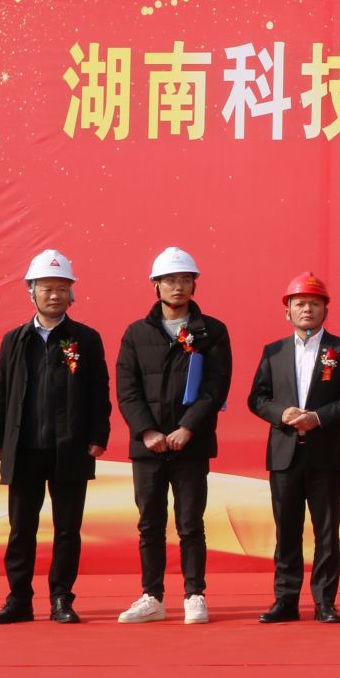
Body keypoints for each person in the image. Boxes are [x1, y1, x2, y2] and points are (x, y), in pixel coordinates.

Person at [0, 250, 110, 625]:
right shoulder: (15, 339)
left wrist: (98, 435)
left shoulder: (86, 339)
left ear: (72, 294)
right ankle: (19, 599)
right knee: (21, 528)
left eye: (62, 288)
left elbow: (99, 391)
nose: (55, 295)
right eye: (47, 288)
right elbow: (0, 390)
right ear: (31, 292)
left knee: (67, 529)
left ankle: (61, 598)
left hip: (70, 448)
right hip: (23, 449)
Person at [114, 246, 233, 625]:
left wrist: (188, 428)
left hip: (190, 445)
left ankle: (194, 594)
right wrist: (147, 431)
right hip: (148, 447)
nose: (177, 286)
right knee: (149, 523)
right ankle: (152, 596)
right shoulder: (136, 333)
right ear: (156, 285)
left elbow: (216, 387)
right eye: (169, 280)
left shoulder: (211, 331)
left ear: (194, 285)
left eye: (184, 279)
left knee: (190, 523)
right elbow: (127, 390)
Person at [247, 272, 340, 624]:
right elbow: (257, 398)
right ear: (287, 310)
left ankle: (325, 602)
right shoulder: (274, 351)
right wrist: (281, 414)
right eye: (299, 303)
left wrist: (319, 417)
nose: (307, 309)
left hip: (326, 453)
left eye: (314, 303)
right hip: (284, 453)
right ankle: (285, 601)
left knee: (326, 532)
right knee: (286, 530)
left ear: (325, 309)